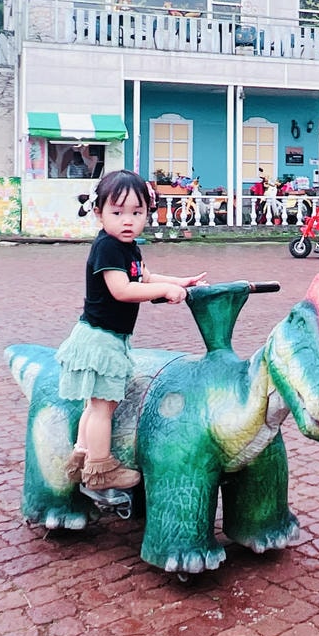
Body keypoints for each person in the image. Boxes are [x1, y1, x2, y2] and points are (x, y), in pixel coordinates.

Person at [58, 170, 207, 504]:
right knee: (102, 408)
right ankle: (100, 468)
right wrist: (164, 290)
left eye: (136, 213)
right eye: (117, 212)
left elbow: (144, 277)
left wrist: (180, 282)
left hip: (108, 337)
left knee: (94, 405)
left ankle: (81, 457)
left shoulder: (128, 249)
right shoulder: (108, 248)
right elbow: (123, 289)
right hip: (100, 340)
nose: (128, 221)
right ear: (99, 213)